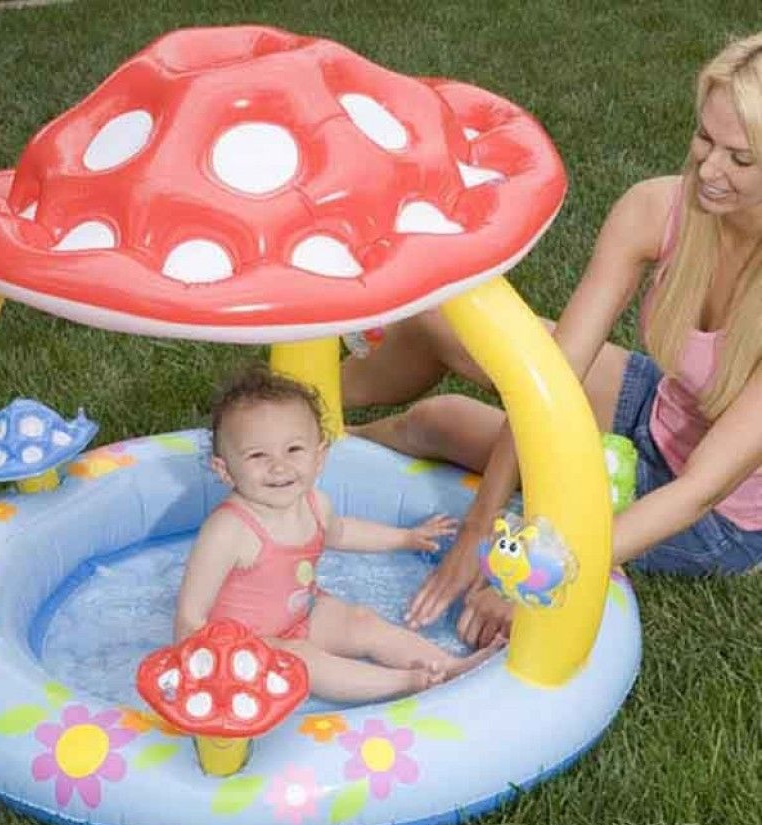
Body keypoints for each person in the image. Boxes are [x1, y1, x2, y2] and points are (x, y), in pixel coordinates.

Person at [343, 33, 762, 650]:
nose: (708, 168)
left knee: (438, 422)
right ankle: (316, 415)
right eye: (705, 137)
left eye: (740, 158)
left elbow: (699, 488)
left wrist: (534, 576)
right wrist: (474, 530)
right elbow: (550, 373)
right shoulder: (658, 210)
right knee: (445, 318)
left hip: (716, 513)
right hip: (661, 406)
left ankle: (332, 447)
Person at [175, 366, 503, 703]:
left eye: (294, 450)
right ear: (224, 469)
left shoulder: (315, 504)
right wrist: (211, 670)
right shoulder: (228, 531)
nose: (279, 466)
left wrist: (405, 538)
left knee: (361, 620)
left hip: (300, 616)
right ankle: (407, 681)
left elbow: (344, 533)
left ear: (320, 457)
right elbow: (190, 617)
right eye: (258, 455)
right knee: (302, 660)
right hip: (244, 644)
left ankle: (449, 666)